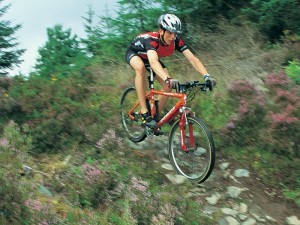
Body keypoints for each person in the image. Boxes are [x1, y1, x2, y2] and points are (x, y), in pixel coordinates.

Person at [125, 13, 215, 128]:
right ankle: (144, 112)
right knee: (140, 68)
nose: (173, 37)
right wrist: (167, 78)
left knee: (167, 86)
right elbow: (153, 63)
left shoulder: (176, 41)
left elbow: (193, 59)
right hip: (135, 53)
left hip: (152, 58)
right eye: (169, 33)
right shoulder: (152, 40)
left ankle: (155, 117)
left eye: (175, 33)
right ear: (161, 31)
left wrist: (207, 76)